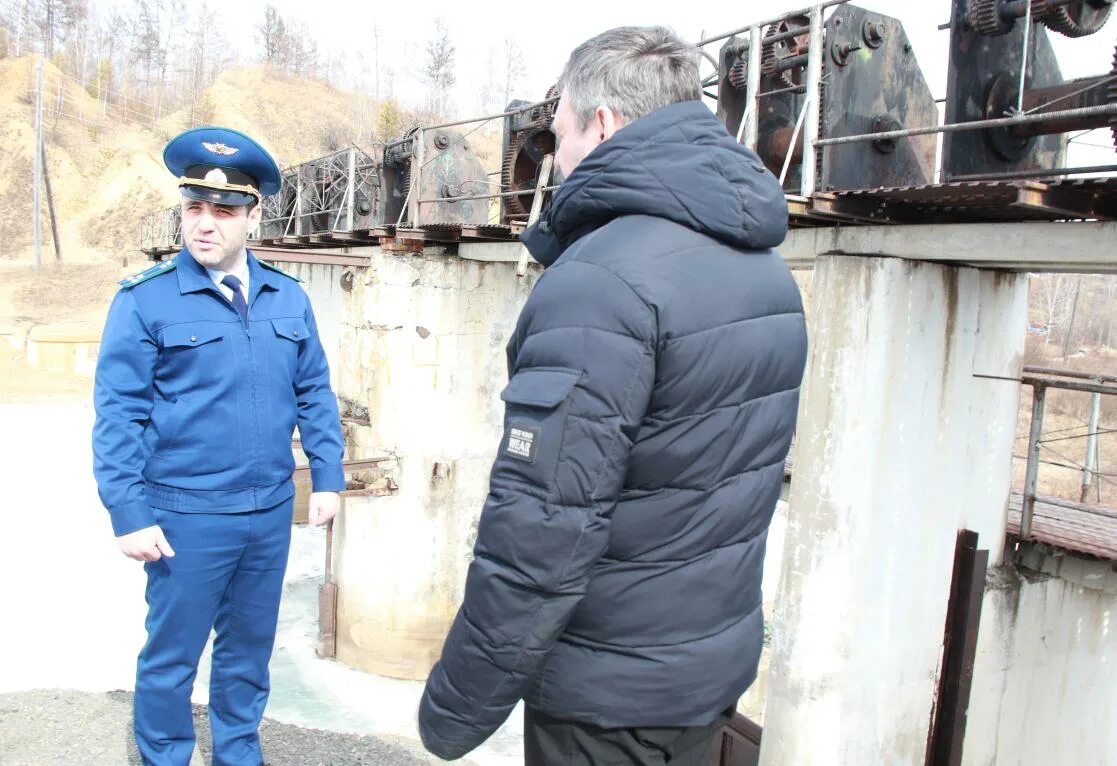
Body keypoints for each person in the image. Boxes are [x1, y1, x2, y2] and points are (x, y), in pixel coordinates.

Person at [418, 26, 807, 765]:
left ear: (601, 124)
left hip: (606, 695)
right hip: (703, 673)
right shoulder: (763, 267)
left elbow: (542, 526)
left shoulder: (601, 281)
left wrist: (456, 706)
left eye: (558, 130)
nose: (555, 155)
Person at [92, 126, 346, 766]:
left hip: (266, 514)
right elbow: (117, 413)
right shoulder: (145, 300)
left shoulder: (287, 297)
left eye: (224, 211)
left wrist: (329, 476)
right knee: (171, 657)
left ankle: (239, 754)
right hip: (185, 515)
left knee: (249, 654)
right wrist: (128, 511)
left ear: (254, 215)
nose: (205, 225)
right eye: (194, 208)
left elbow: (314, 391)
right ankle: (165, 757)